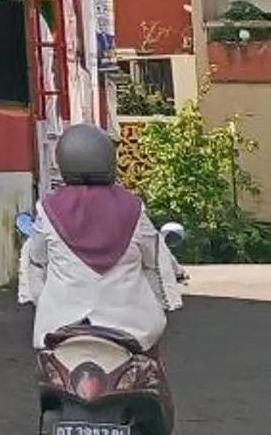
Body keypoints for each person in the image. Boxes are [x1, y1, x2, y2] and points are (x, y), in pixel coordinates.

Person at [18, 123, 184, 351]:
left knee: (47, 363)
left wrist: (41, 302)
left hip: (60, 326)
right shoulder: (132, 208)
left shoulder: (48, 209)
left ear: (62, 162)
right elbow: (155, 261)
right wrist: (163, 302)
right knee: (151, 357)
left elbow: (35, 262)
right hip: (131, 329)